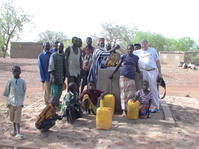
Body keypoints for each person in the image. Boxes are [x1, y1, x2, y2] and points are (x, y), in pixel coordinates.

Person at [110, 44, 140, 117]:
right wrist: (112, 73)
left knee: (132, 94)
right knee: (123, 94)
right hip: (123, 76)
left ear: (133, 50)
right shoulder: (124, 57)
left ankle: (130, 109)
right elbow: (118, 65)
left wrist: (140, 74)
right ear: (127, 50)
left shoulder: (136, 58)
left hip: (131, 77)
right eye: (128, 49)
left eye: (131, 49)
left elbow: (137, 67)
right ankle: (124, 111)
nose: (129, 50)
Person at [133, 39, 162, 112]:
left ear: (147, 44)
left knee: (153, 89)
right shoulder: (137, 52)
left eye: (145, 44)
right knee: (143, 89)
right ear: (140, 45)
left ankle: (156, 106)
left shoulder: (152, 50)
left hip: (152, 71)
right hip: (143, 72)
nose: (144, 45)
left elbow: (157, 61)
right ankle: (144, 106)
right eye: (142, 44)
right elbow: (128, 54)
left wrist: (160, 72)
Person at [3, 66, 26, 139]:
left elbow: (24, 91)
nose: (16, 73)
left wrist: (22, 102)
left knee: (18, 118)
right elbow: (6, 92)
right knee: (12, 118)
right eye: (14, 71)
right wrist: (7, 102)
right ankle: (14, 131)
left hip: (19, 103)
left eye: (17, 71)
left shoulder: (23, 82)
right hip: (11, 103)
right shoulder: (10, 81)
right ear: (12, 73)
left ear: (20, 72)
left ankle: (18, 132)